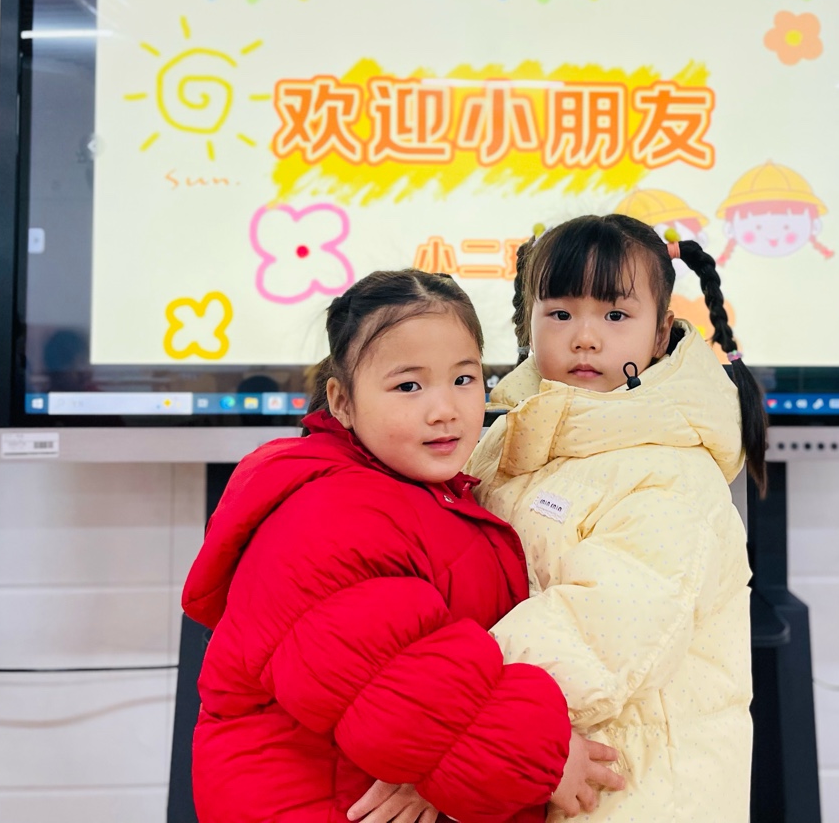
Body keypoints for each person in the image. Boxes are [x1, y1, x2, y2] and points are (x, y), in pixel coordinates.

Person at [181, 269, 624, 823]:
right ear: (342, 401)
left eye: (464, 378)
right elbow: (403, 689)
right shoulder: (330, 514)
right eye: (409, 386)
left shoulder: (423, 491)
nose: (445, 410)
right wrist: (546, 760)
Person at [469, 213, 767, 821]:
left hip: (637, 794)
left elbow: (595, 633)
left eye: (615, 316)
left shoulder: (671, 471)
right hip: (534, 766)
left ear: (659, 334)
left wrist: (451, 723)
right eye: (560, 313)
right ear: (529, 324)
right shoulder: (510, 439)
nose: (585, 337)